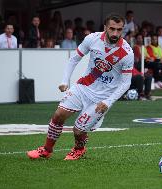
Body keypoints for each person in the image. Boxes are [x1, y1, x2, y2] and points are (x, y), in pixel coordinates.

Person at [27, 14, 134, 160]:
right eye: (112, 29)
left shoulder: (127, 52)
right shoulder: (92, 39)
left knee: (78, 130)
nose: (115, 33)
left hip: (102, 99)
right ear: (105, 28)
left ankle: (79, 148)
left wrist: (109, 102)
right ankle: (46, 150)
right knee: (58, 115)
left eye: (119, 30)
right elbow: (74, 58)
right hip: (83, 87)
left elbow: (126, 83)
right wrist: (65, 80)